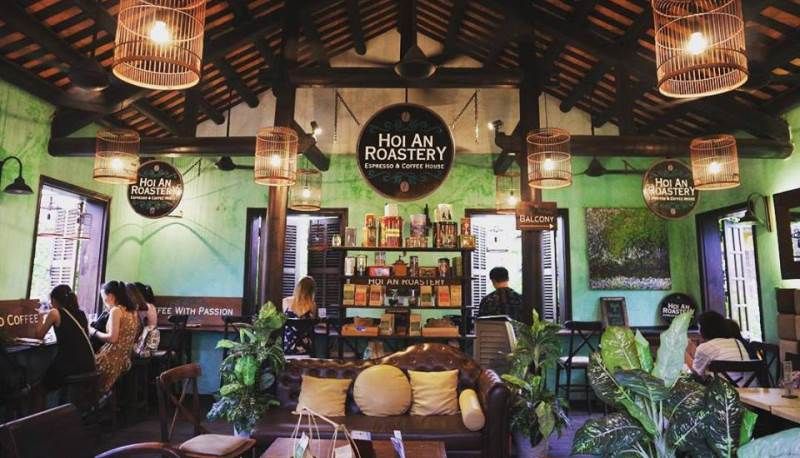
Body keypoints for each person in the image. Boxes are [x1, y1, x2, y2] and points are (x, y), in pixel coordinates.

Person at [36, 285, 95, 390]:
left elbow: (39, 335)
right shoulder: (81, 313)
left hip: (69, 364)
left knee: (40, 387)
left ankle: (49, 406)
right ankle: (63, 404)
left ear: (54, 300)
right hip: (88, 363)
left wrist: (40, 317)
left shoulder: (55, 312)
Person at [91, 281, 140, 393]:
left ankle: (72, 407)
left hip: (110, 360)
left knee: (78, 367)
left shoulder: (116, 311)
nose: (104, 302)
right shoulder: (132, 311)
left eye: (104, 298)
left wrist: (93, 332)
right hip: (124, 360)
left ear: (111, 296)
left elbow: (113, 338)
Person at [686, 311, 752, 385]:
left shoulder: (705, 347)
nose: (698, 332)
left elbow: (696, 376)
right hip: (749, 388)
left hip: (723, 391)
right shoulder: (737, 342)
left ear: (705, 329)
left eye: (699, 328)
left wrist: (684, 354)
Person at [282, 277, 316, 355]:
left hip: (288, 345)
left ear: (298, 288)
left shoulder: (285, 301)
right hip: (306, 347)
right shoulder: (312, 305)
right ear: (312, 291)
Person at [129, 283, 160, 357]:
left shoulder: (143, 307)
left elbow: (137, 327)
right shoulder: (151, 305)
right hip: (152, 343)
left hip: (144, 345)